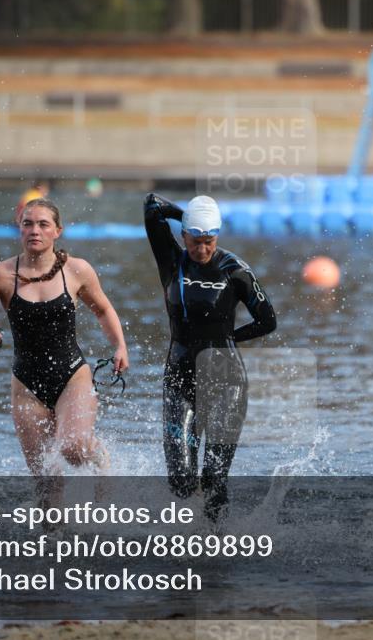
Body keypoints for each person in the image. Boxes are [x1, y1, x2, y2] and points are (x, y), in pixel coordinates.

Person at [0, 198, 128, 482]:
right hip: (26, 384)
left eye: (43, 224)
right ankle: (55, 528)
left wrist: (120, 346)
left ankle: (99, 456)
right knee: (44, 477)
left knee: (73, 448)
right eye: (28, 224)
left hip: (72, 375)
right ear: (20, 229)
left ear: (57, 231)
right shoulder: (0, 275)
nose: (35, 231)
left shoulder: (76, 270)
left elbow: (103, 309)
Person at [144, 193, 277, 522]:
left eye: (209, 241)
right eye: (195, 240)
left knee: (215, 476)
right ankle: (194, 530)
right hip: (180, 379)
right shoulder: (171, 262)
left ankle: (216, 545)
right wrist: (184, 213)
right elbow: (152, 206)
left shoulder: (235, 269)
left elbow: (268, 320)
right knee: (181, 480)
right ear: (184, 234)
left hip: (226, 382)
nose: (202, 249)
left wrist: (231, 338)